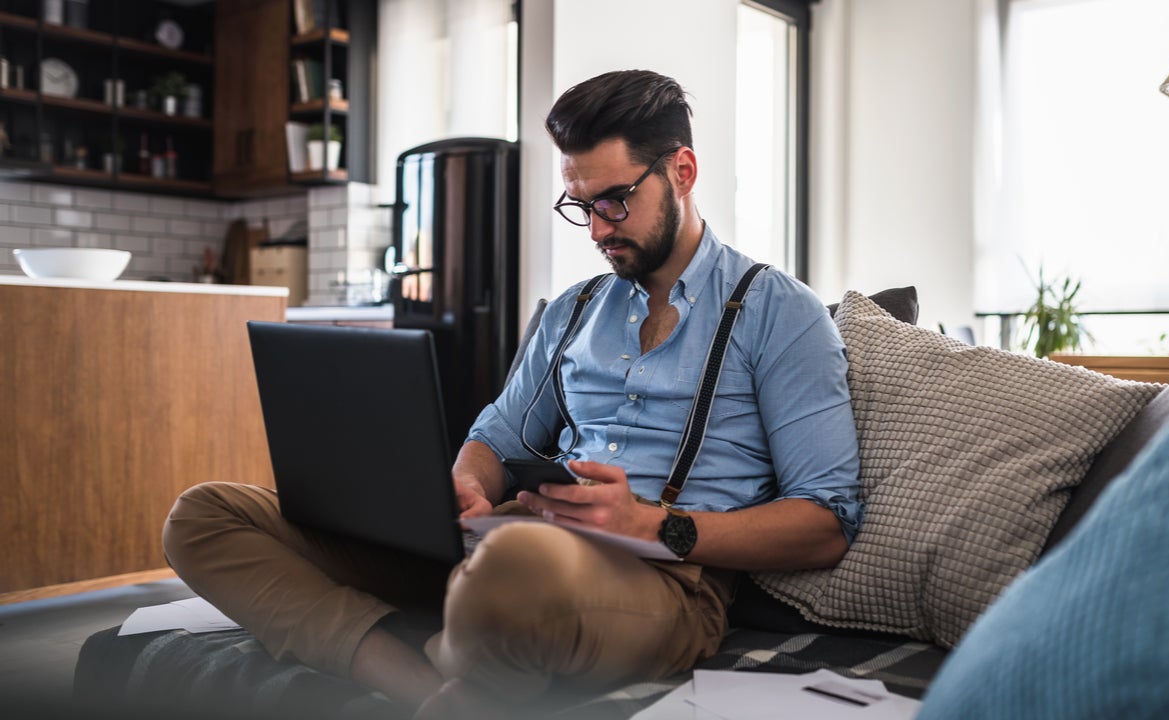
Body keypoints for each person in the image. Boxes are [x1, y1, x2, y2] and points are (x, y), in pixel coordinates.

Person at [162, 69, 863, 719]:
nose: (596, 229)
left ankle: (465, 640)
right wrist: (466, 485)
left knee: (516, 567)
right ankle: (414, 679)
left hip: (663, 583)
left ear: (682, 170)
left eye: (616, 201)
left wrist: (650, 525)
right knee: (204, 517)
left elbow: (826, 524)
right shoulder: (573, 310)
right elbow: (498, 438)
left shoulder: (778, 310)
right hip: (513, 545)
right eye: (580, 205)